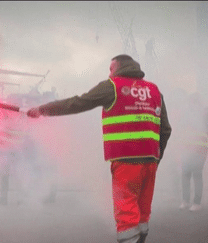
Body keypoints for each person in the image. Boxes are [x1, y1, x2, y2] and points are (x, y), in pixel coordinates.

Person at [27, 54, 172, 243]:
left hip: (125, 162)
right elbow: (166, 129)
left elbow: (77, 102)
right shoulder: (154, 91)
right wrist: (156, 158)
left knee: (126, 215)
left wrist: (43, 110)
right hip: (150, 162)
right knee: (143, 212)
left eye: (111, 69)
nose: (109, 74)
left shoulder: (112, 86)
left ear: (118, 68)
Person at [178, 93, 208, 212]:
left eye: (193, 101)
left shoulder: (203, 114)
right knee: (185, 174)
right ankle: (186, 201)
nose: (191, 104)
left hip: (199, 148)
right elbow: (180, 128)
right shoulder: (187, 114)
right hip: (188, 147)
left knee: (196, 174)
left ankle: (196, 202)